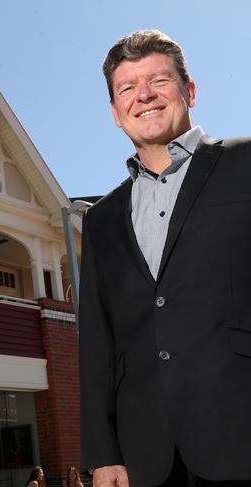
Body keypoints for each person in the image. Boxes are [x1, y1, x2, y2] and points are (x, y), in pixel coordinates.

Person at [79, 29, 251, 487]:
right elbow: (97, 342)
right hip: (145, 458)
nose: (145, 96)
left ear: (189, 90)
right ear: (115, 112)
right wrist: (102, 454)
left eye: (159, 80)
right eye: (127, 89)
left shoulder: (245, 163)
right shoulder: (99, 219)